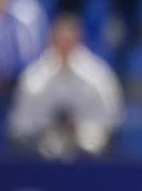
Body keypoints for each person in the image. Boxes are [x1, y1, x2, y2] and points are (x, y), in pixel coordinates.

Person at [7, 12, 123, 160]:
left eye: (69, 40)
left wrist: (78, 129)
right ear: (51, 41)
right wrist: (49, 129)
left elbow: (111, 121)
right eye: (59, 40)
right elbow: (20, 125)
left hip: (88, 152)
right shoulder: (34, 78)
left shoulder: (98, 76)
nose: (64, 46)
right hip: (41, 151)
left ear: (79, 40)